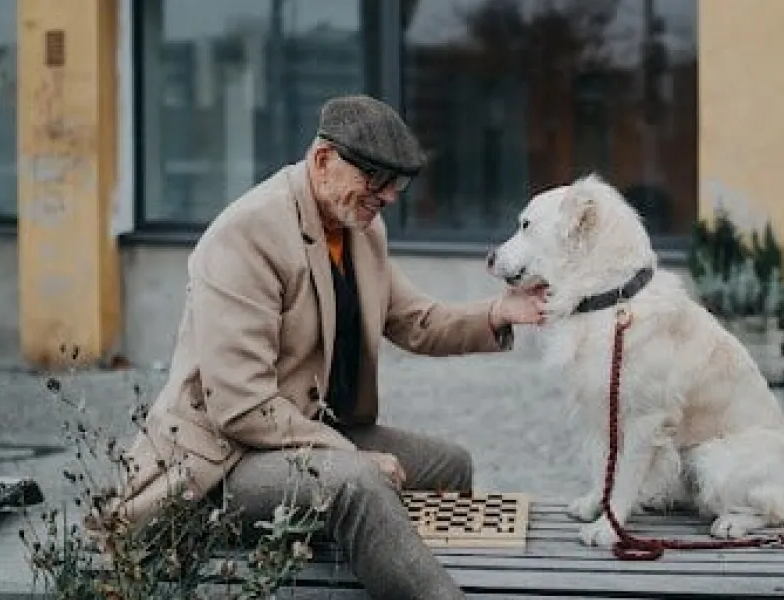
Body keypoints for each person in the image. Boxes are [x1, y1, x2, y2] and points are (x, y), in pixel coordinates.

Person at [102, 95, 546, 599]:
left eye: (398, 184)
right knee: (357, 483)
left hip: (305, 434)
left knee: (450, 464)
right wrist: (349, 454)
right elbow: (240, 406)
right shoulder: (246, 235)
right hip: (222, 464)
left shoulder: (358, 227)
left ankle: (416, 569)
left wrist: (499, 312)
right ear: (322, 161)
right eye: (377, 180)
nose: (389, 197)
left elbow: (416, 321)